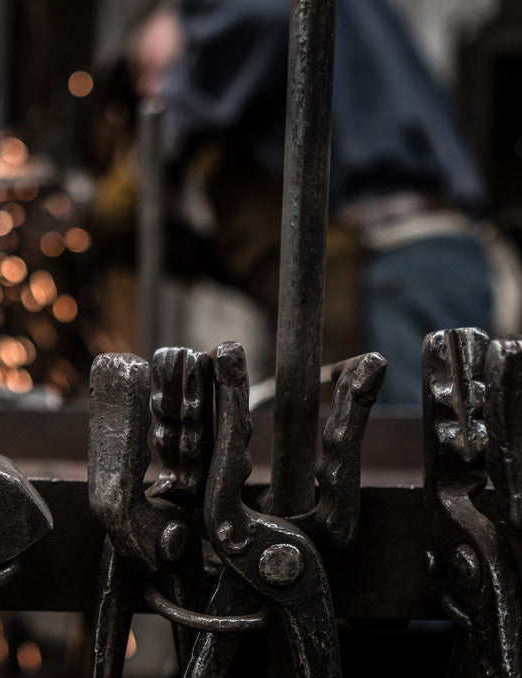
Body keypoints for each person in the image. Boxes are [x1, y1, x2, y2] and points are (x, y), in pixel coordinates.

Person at [130, 0, 495, 406]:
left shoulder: (243, 15)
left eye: (149, 69)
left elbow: (257, 20)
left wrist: (169, 120)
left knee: (417, 458)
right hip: (431, 254)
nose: (149, 87)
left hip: (410, 261)